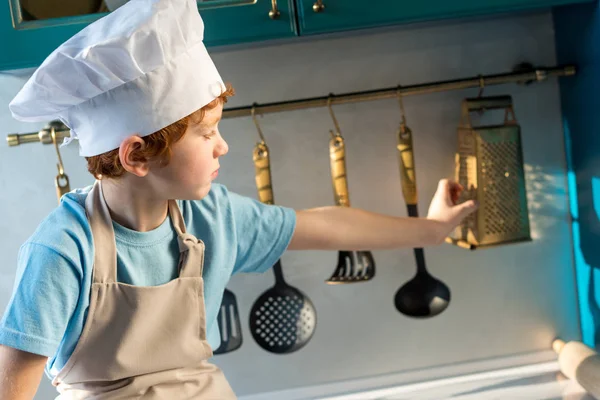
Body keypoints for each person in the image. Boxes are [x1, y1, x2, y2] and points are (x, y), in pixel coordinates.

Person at [0, 0, 478, 398]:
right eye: (206, 132)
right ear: (137, 155)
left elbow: (324, 225)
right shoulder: (63, 250)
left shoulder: (212, 217)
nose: (222, 145)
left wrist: (431, 231)